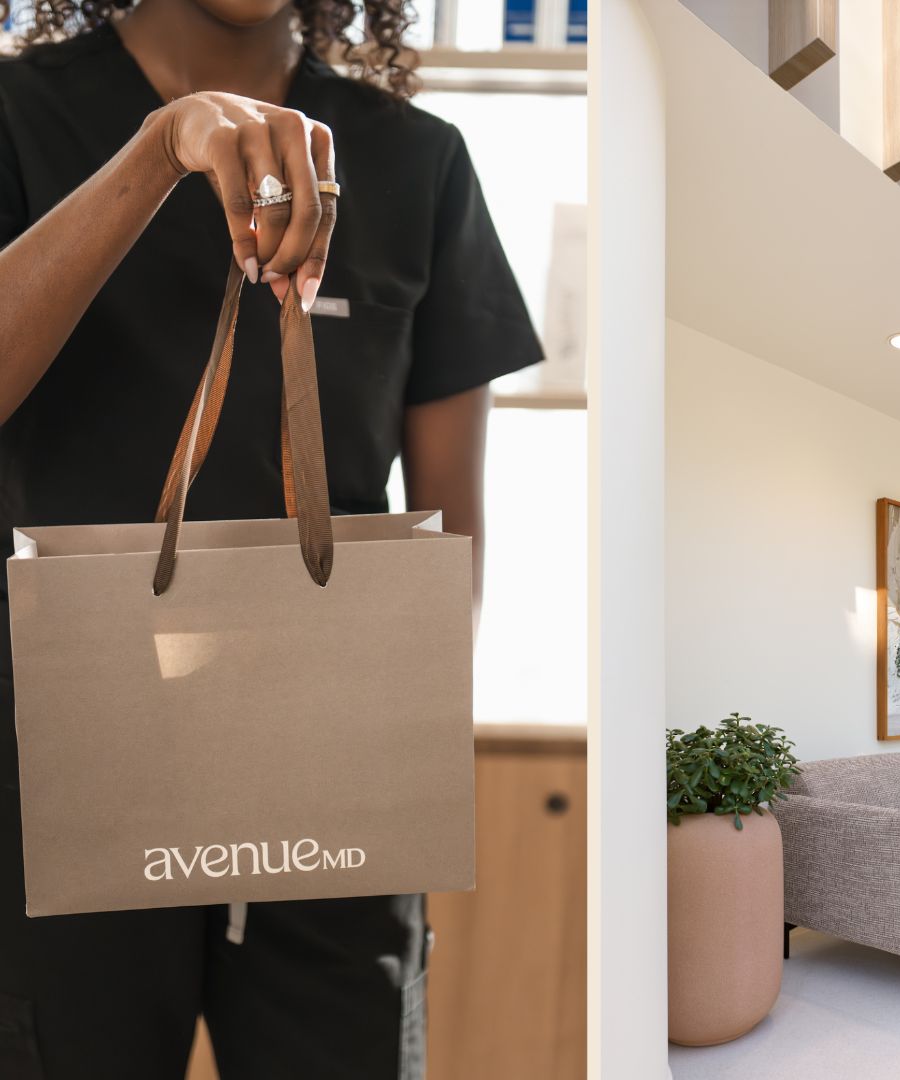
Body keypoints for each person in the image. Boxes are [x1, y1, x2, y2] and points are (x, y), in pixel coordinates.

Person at [0, 1, 543, 1075]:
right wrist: (162, 149)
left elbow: (449, 515)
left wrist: (406, 753)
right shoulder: (20, 116)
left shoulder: (415, 159)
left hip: (330, 765)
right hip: (57, 764)